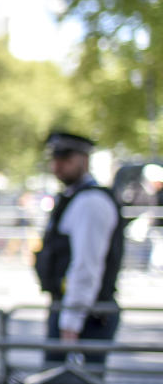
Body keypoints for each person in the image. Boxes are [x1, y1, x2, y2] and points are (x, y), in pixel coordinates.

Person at [35, 131, 125, 366]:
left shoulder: (90, 202)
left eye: (66, 159)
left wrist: (71, 322)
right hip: (74, 309)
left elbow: (86, 264)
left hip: (86, 316)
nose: (57, 166)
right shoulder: (74, 198)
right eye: (54, 159)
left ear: (84, 160)